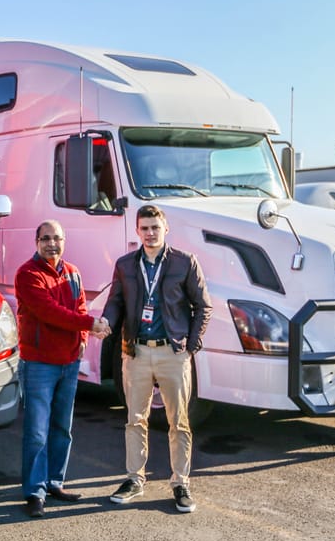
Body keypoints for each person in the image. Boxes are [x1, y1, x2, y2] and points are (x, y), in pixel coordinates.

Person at [101, 204, 212, 513]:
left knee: (179, 422)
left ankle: (180, 483)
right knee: (135, 419)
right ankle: (135, 479)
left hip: (172, 352)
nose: (150, 233)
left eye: (155, 228)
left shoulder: (184, 262)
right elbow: (115, 303)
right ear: (137, 231)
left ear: (166, 229)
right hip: (135, 352)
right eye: (144, 228)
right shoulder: (125, 264)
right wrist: (107, 323)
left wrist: (190, 346)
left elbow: (204, 306)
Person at [15, 220, 110, 518]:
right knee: (37, 432)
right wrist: (88, 326)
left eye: (57, 238)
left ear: (64, 240)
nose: (51, 244)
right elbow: (48, 313)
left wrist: (82, 339)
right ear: (36, 241)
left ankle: (55, 482)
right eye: (45, 239)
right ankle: (34, 491)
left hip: (68, 363)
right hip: (39, 364)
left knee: (61, 428)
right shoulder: (27, 274)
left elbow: (80, 308)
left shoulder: (72, 272)